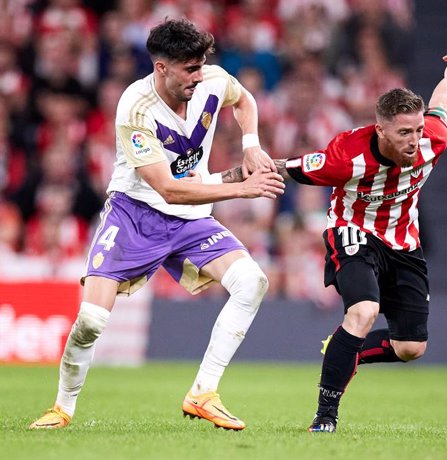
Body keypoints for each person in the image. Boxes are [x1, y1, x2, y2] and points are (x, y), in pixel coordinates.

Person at [29, 18, 285, 431]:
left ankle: (203, 393)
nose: (199, 76)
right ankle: (62, 407)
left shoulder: (212, 80)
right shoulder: (135, 108)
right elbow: (167, 189)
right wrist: (241, 189)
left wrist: (251, 145)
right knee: (91, 320)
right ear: (161, 67)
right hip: (135, 213)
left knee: (252, 282)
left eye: (201, 65)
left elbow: (245, 101)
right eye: (189, 68)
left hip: (190, 218)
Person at [217, 55, 447, 432]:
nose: (415, 140)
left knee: (410, 348)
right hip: (353, 230)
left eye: (416, 130)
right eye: (404, 133)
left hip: (403, 241)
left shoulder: (434, 139)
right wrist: (244, 170)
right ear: (380, 130)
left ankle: (343, 348)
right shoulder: (346, 156)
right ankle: (325, 415)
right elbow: (296, 165)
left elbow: (443, 104)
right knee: (363, 312)